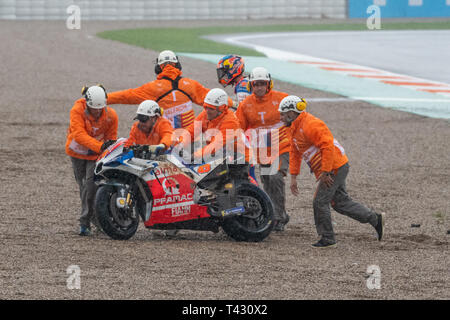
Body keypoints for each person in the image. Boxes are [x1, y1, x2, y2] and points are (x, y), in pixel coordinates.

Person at [278, 95, 385, 248]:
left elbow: (327, 146)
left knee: (320, 202)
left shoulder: (310, 124)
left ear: (293, 113)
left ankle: (327, 238)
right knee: (340, 203)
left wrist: (326, 172)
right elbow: (295, 152)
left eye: (283, 113)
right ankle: (375, 219)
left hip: (335, 167)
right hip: (333, 167)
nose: (280, 117)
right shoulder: (293, 128)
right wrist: (294, 177)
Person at [235, 67, 290, 231]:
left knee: (275, 177)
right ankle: (275, 214)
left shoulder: (282, 99)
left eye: (262, 84)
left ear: (268, 84)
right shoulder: (245, 105)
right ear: (251, 85)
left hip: (282, 146)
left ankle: (278, 218)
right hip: (263, 151)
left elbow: (298, 116)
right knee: (267, 182)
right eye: (256, 84)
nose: (259, 87)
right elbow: (238, 128)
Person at [106, 50, 212, 129]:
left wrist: (103, 98)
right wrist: (228, 103)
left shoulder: (153, 88)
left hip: (165, 137)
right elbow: (213, 98)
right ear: (177, 65)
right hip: (188, 139)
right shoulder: (190, 85)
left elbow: (127, 96)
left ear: (158, 67)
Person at [65, 85, 118, 236]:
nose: (96, 111)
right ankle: (93, 219)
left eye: (99, 108)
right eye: (93, 108)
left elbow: (111, 138)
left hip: (95, 155)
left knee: (91, 185)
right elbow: (79, 135)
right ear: (86, 103)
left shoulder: (111, 115)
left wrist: (106, 149)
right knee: (84, 187)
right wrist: (100, 146)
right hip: (77, 153)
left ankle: (85, 221)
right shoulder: (76, 111)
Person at [182, 88, 249, 163]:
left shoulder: (231, 122)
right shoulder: (206, 113)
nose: (207, 111)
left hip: (238, 159)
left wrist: (195, 156)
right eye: (205, 107)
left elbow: (216, 145)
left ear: (221, 109)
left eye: (211, 109)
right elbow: (191, 131)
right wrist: (180, 144)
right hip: (220, 154)